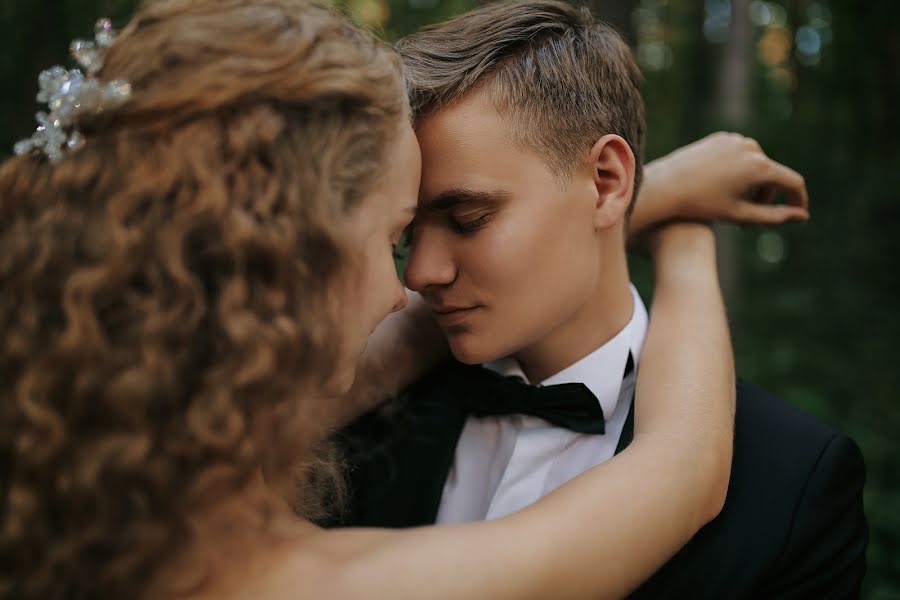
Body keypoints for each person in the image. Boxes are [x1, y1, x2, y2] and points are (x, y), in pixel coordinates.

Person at [0, 1, 736, 599]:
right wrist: (683, 235)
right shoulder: (313, 581)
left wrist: (618, 204)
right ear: (286, 268)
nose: (407, 284)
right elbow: (683, 464)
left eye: (469, 218)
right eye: (392, 236)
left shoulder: (75, 487)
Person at [336, 1, 868, 598]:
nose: (420, 274)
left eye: (468, 218)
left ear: (607, 182)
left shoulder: (794, 476)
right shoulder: (349, 416)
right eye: (407, 236)